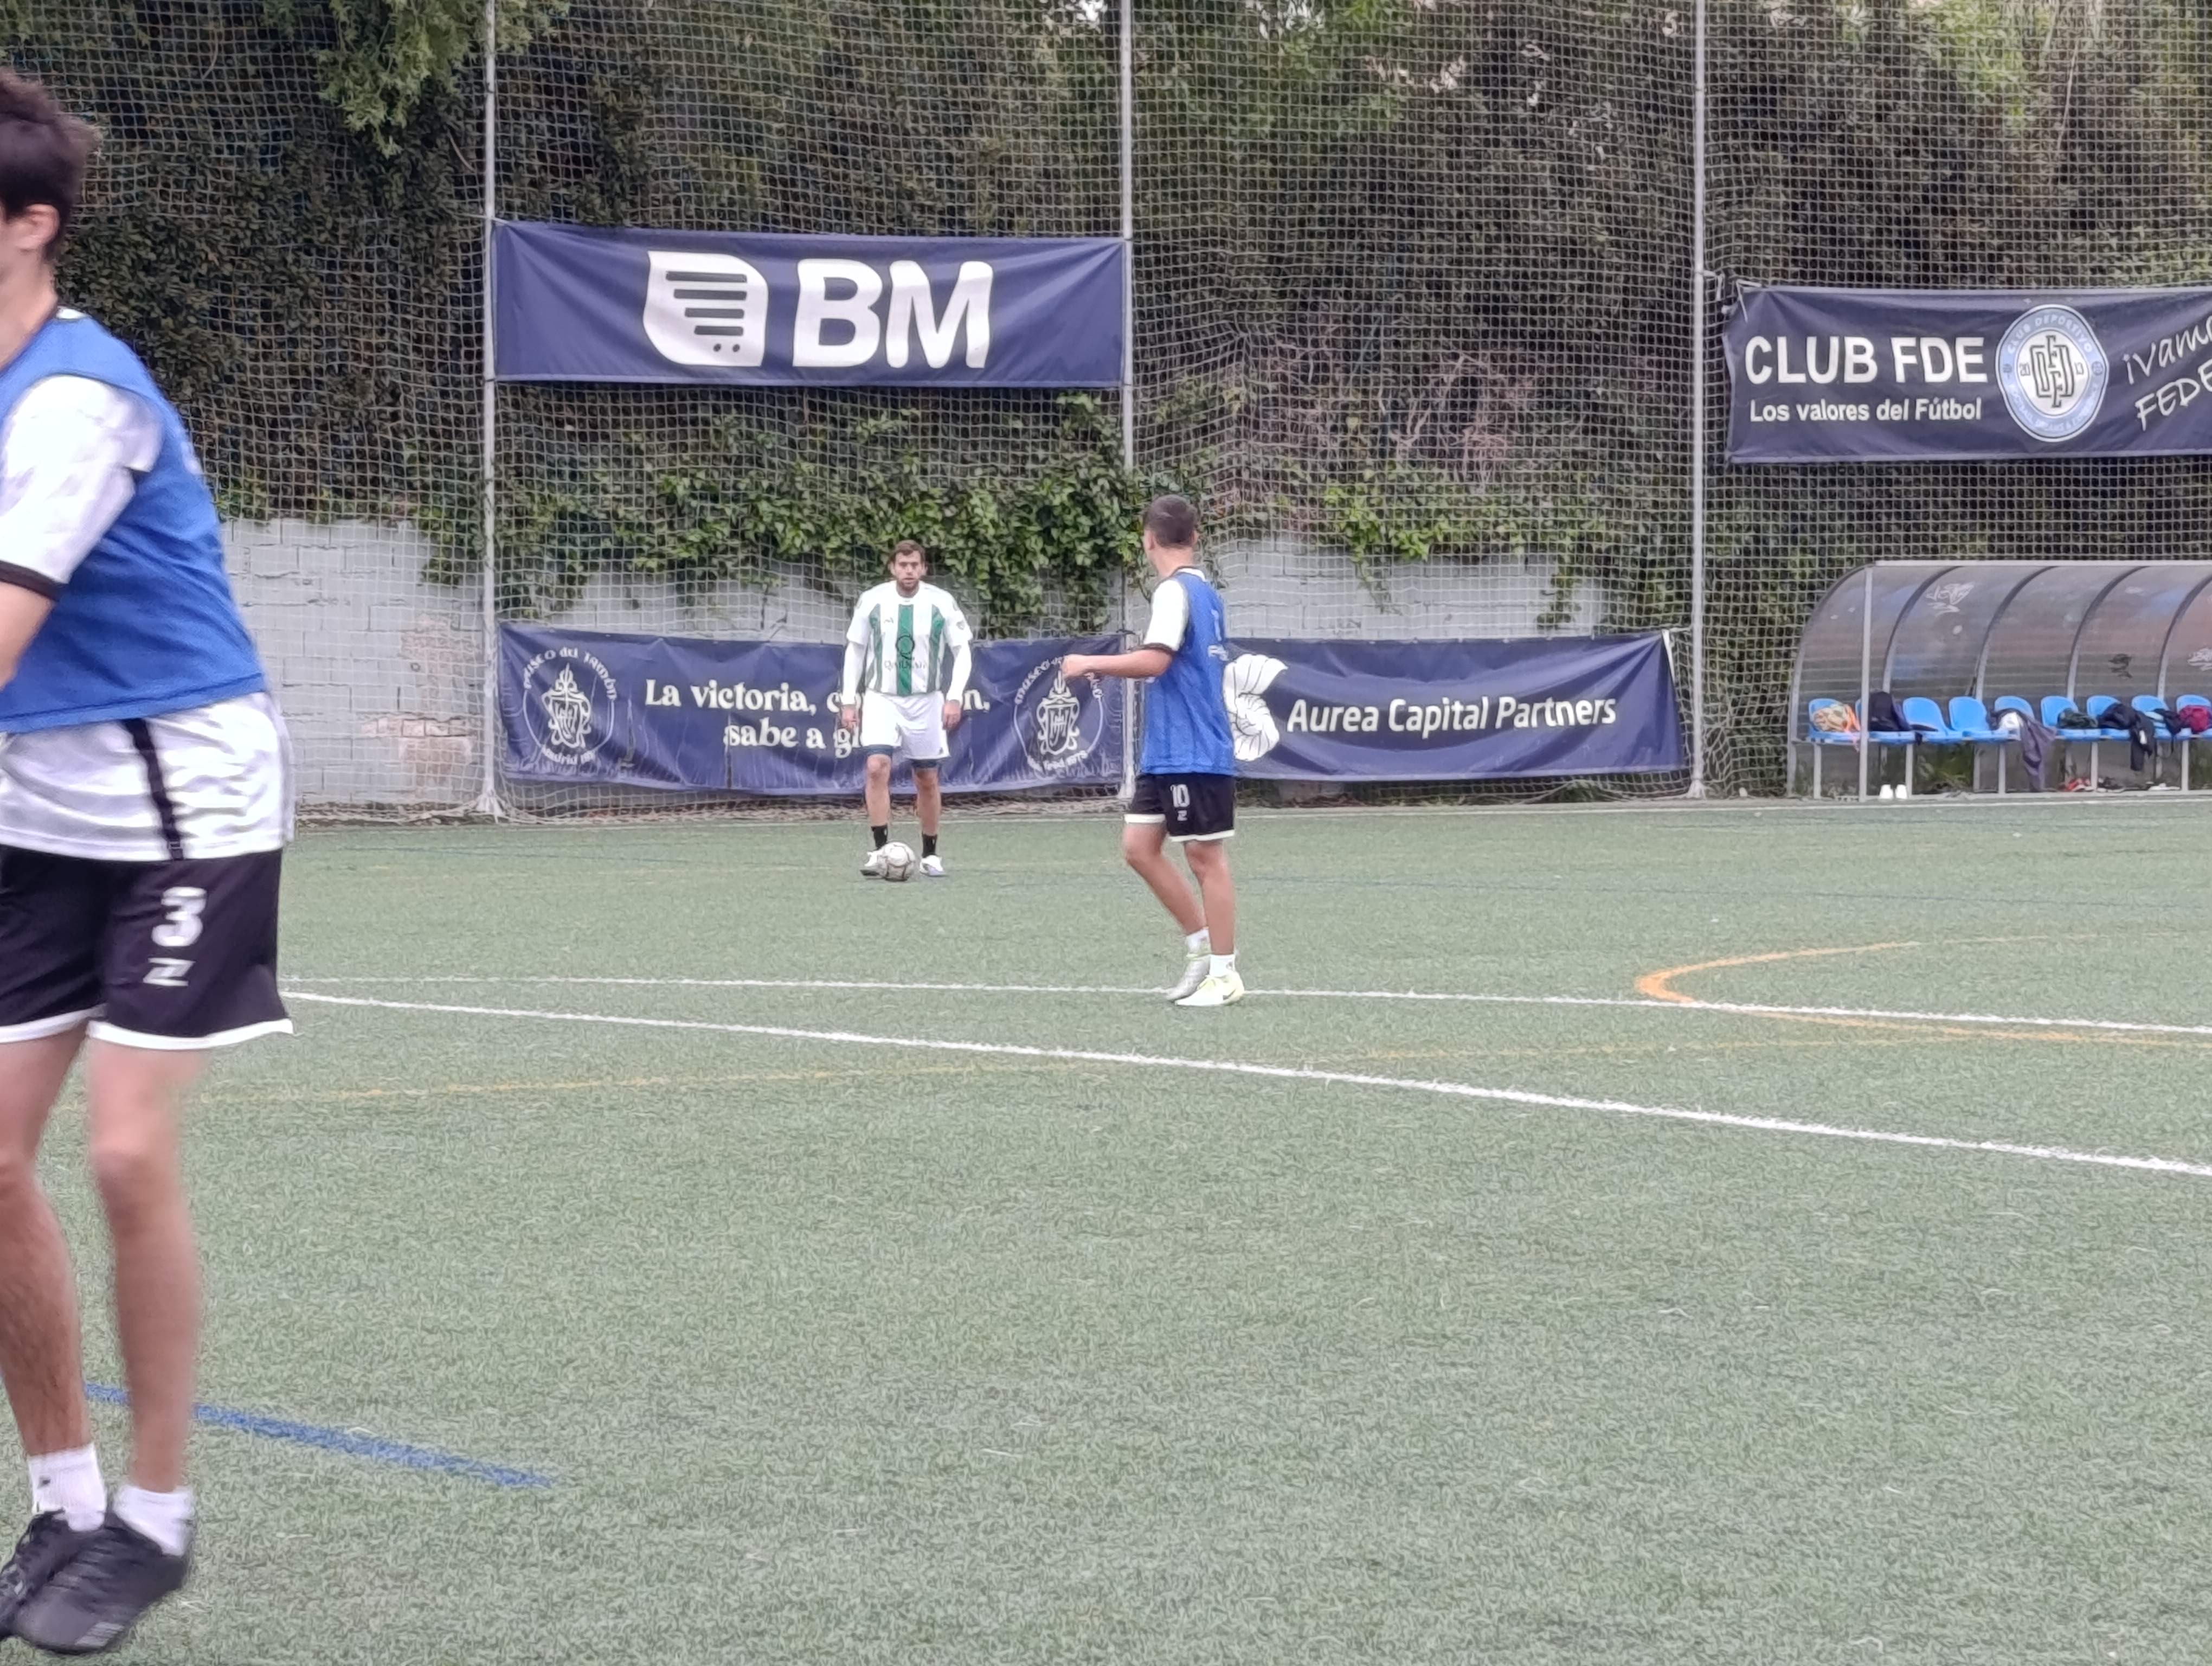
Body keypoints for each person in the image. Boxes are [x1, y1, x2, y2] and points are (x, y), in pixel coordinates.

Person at [0, 72, 293, 1654]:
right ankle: (62, 1502)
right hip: (41, 809)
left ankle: (157, 1519)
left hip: (187, 803)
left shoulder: (74, 401)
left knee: (120, 1151)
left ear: (29, 227)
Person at [1062, 495, 1242, 1008]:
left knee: (1205, 857)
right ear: (1196, 537)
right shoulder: (1206, 592)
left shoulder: (1173, 592)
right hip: (1166, 750)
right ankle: (1201, 948)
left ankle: (1225, 974)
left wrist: (1089, 663)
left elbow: (1156, 661)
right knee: (1139, 848)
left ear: (1147, 540)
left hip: (1193, 747)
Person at [839, 540, 973, 878]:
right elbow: (855, 650)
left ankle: (931, 855)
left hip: (926, 700)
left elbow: (963, 651)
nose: (909, 571)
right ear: (893, 568)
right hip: (881, 697)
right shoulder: (872, 600)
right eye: (903, 565)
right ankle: (879, 851)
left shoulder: (941, 602)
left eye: (915, 565)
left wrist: (954, 696)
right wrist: (849, 700)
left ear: (924, 568)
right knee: (876, 767)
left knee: (926, 778)